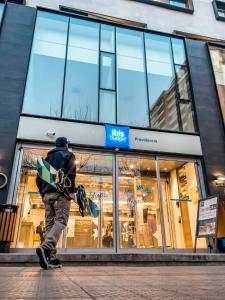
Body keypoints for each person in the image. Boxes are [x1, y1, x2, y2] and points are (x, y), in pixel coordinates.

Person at [36, 137, 76, 269]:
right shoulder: (68, 155)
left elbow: (38, 178)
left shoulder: (46, 159)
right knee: (61, 221)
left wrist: (43, 192)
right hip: (61, 194)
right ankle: (45, 247)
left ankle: (51, 258)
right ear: (66, 145)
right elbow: (71, 174)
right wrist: (71, 192)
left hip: (47, 195)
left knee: (49, 224)